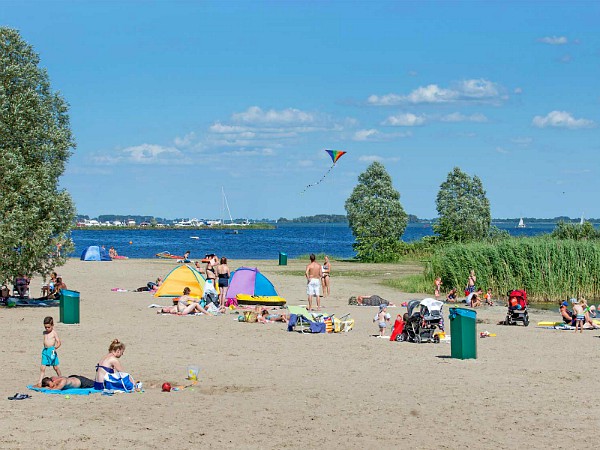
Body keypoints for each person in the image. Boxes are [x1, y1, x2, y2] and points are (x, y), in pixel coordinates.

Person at [37, 316, 61, 386]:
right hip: (45, 351)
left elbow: (59, 342)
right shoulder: (44, 332)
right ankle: (40, 381)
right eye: (45, 327)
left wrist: (55, 348)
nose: (47, 329)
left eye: (49, 327)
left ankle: (60, 377)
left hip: (52, 351)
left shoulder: (54, 333)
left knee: (55, 367)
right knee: (42, 367)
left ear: (52, 325)